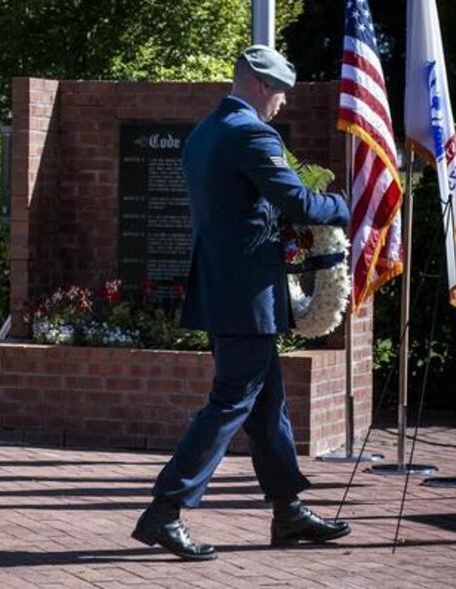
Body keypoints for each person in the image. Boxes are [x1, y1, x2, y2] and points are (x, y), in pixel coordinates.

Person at [131, 45, 353, 561]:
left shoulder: (205, 131)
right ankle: (164, 511)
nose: (281, 104)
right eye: (279, 93)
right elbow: (295, 200)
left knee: (266, 403)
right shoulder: (250, 132)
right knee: (232, 401)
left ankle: (288, 510)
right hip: (246, 294)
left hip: (224, 288)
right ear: (259, 84)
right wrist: (344, 205)